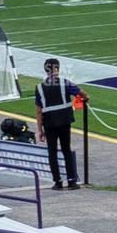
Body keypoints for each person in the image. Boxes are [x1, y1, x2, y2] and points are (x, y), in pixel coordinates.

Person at [33, 58, 83, 190]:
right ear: (58, 69)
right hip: (64, 121)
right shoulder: (65, 83)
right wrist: (84, 99)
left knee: (52, 152)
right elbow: (81, 93)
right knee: (66, 150)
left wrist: (40, 130)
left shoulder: (39, 87)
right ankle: (72, 181)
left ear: (45, 69)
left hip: (49, 123)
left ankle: (58, 182)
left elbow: (38, 111)